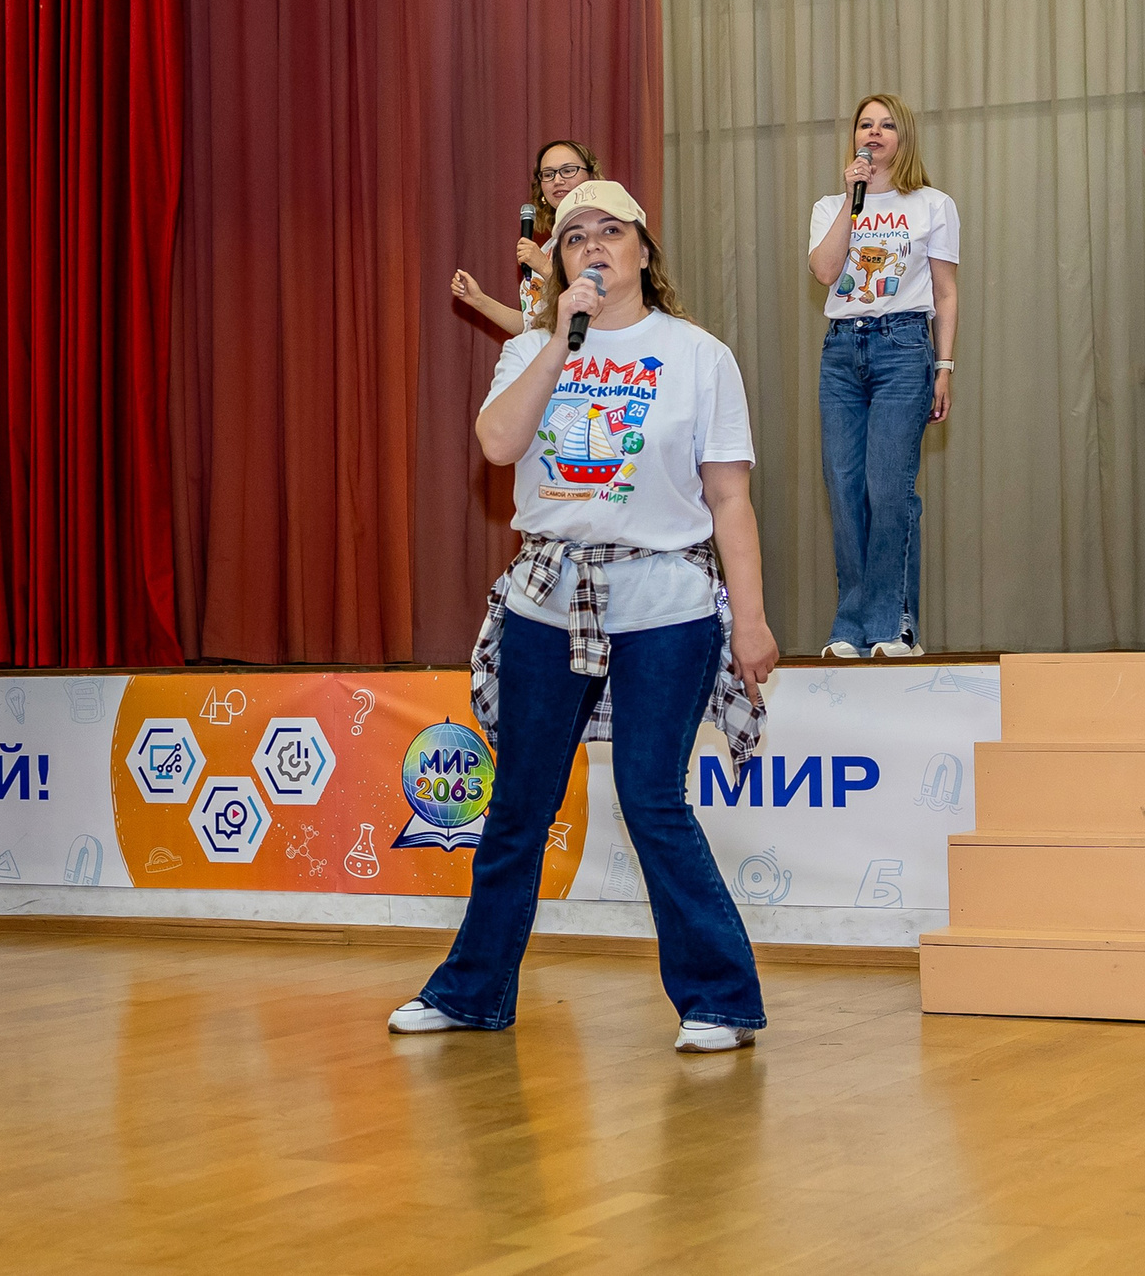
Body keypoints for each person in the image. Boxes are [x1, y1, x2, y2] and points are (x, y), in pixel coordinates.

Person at [391, 181, 781, 1054]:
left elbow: (730, 500)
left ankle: (719, 997)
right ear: (560, 261)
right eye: (575, 237)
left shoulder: (698, 354)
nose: (594, 247)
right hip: (546, 598)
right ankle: (473, 991)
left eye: (612, 232)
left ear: (644, 249)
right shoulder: (533, 347)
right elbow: (497, 445)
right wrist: (559, 342)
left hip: (666, 602)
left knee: (651, 799)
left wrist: (749, 620)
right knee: (519, 804)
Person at [805, 93, 960, 658]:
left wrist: (943, 367)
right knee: (844, 491)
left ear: (904, 136)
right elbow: (825, 270)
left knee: (888, 490)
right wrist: (853, 198)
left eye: (886, 125)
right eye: (865, 124)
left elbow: (945, 291)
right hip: (843, 350)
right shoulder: (832, 204)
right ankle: (850, 625)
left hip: (903, 348)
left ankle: (894, 626)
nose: (874, 132)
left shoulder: (933, 205)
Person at [452, 141, 601, 335]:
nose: (557, 180)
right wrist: (479, 300)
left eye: (568, 170)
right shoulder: (550, 246)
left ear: (591, 176)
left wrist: (545, 269)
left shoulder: (605, 237)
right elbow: (532, 327)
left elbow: (602, 313)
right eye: (548, 174)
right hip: (542, 361)